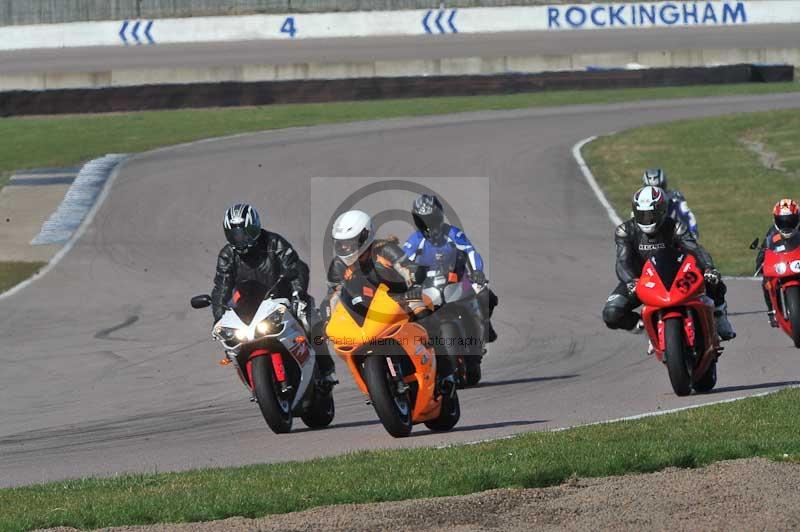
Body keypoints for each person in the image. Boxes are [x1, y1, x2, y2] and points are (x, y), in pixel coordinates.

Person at [323, 209, 456, 396]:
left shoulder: (384, 249)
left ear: (365, 236)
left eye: (350, 243)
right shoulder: (338, 266)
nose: (345, 248)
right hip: (366, 311)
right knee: (341, 340)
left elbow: (407, 267)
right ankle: (372, 383)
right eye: (341, 244)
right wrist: (326, 315)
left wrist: (414, 281)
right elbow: (333, 294)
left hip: (400, 298)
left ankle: (445, 372)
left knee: (423, 314)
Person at [211, 203, 337, 387]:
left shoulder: (274, 242)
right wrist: (218, 316)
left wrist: (298, 294)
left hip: (284, 299)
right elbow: (221, 287)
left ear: (254, 227)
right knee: (231, 341)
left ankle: (325, 370)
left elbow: (297, 268)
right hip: (249, 308)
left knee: (311, 324)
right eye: (234, 234)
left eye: (244, 232)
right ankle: (256, 384)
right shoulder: (227, 255)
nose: (240, 239)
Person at [602, 186, 736, 345]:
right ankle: (648, 329)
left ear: (662, 211)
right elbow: (622, 261)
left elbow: (695, 249)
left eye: (651, 214)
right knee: (611, 313)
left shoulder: (676, 227)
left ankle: (720, 316)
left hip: (675, 276)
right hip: (641, 281)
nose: (646, 219)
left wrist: (708, 268)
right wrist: (631, 280)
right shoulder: (625, 231)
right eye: (642, 214)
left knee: (712, 278)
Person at [403, 194, 499, 343]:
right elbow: (403, 264)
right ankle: (424, 344)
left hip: (461, 280)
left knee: (486, 296)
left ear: (440, 217)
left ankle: (485, 324)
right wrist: (409, 285)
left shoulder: (453, 233)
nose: (429, 224)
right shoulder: (414, 240)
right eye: (423, 220)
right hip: (427, 287)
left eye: (432, 219)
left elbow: (470, 251)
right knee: (408, 312)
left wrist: (477, 272)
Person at [755, 198, 800, 328]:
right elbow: (765, 249)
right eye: (782, 220)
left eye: (790, 220)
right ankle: (772, 312)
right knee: (766, 281)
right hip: (785, 264)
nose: (786, 224)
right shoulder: (772, 232)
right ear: (776, 219)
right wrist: (760, 264)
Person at [642, 168, 699, 238]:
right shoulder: (640, 200)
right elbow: (634, 220)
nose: (656, 193)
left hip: (673, 238)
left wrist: (693, 231)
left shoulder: (675, 197)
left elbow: (687, 215)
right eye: (652, 189)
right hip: (647, 240)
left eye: (659, 188)